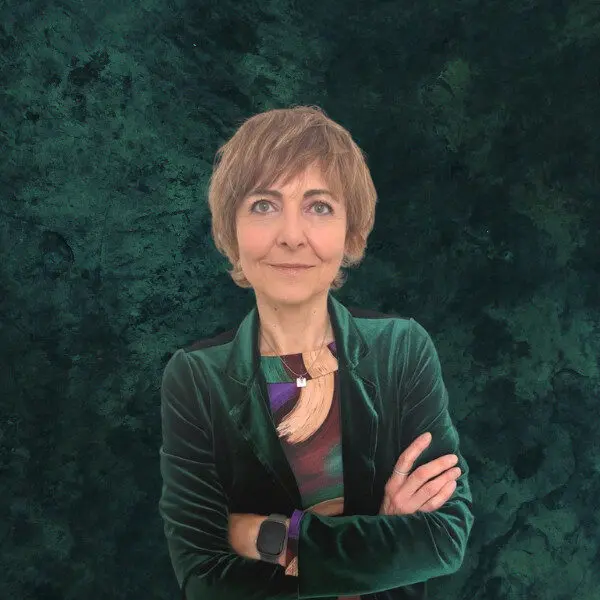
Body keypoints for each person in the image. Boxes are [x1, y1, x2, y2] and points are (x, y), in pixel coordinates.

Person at [158, 105, 474, 600]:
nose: (291, 235)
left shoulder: (402, 351)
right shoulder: (195, 379)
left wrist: (262, 535)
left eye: (319, 206)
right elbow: (205, 579)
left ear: (351, 232)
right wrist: (384, 533)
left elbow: (443, 539)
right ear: (230, 230)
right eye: (264, 205)